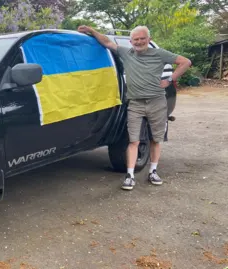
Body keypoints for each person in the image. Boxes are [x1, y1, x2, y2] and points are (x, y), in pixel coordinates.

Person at [77, 25, 192, 190]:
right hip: (135, 103)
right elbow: (107, 42)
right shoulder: (127, 53)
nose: (139, 42)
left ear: (148, 40)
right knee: (133, 140)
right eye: (136, 40)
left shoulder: (159, 54)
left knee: (155, 139)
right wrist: (92, 31)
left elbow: (185, 62)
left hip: (157, 102)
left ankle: (153, 171)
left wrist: (170, 79)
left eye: (142, 39)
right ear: (131, 42)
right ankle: (130, 175)